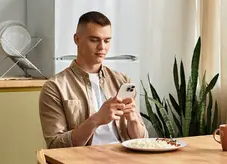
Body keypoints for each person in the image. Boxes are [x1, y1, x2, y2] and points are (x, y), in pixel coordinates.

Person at [39, 11, 148, 148]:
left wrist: (133, 119)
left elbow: (142, 139)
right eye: (94, 40)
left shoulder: (121, 80)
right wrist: (97, 119)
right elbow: (55, 145)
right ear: (77, 39)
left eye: (107, 41)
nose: (102, 47)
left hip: (125, 156)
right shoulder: (55, 87)